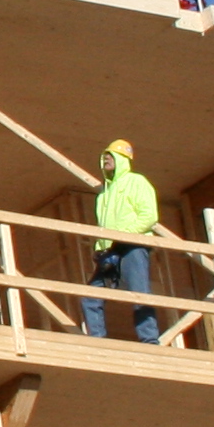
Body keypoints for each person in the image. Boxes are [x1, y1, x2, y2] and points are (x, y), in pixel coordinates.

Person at [87, 138, 161, 343]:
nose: (106, 160)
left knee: (139, 293)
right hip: (110, 250)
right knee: (90, 296)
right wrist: (100, 247)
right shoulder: (104, 194)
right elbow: (105, 226)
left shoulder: (137, 182)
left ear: (122, 159)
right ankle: (98, 341)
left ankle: (150, 341)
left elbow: (149, 216)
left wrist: (123, 235)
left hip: (132, 246)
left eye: (110, 156)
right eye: (104, 157)